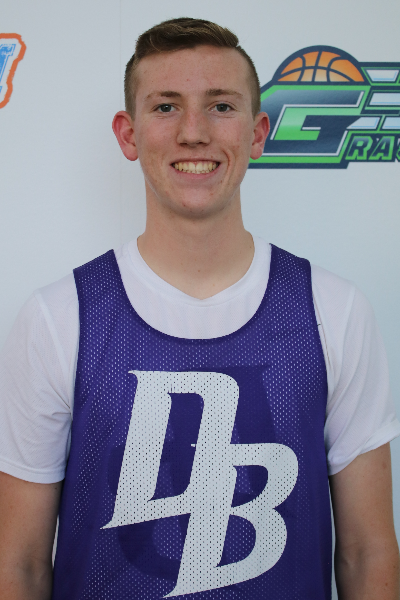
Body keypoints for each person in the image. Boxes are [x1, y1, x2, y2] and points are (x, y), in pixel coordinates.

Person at [0, 17, 399, 600]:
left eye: (221, 106)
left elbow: (368, 553)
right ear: (128, 134)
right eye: (166, 106)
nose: (193, 132)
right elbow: (20, 564)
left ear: (257, 134)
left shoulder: (333, 311)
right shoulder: (59, 320)